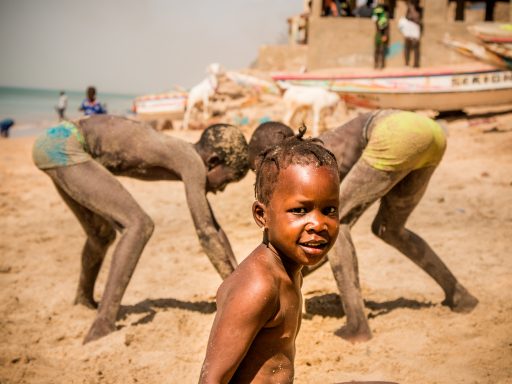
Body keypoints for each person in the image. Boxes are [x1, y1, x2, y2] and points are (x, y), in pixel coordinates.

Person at [248, 112, 479, 343]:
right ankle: (458, 294)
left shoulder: (305, 163)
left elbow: (321, 235)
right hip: (430, 133)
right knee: (389, 229)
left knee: (337, 223)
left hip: (393, 134)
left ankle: (357, 324)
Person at [32, 115, 249, 343]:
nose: (221, 189)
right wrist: (238, 291)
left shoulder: (184, 155)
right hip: (67, 145)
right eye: (226, 181)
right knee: (139, 225)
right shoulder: (192, 162)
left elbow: (213, 226)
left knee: (101, 235)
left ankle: (83, 299)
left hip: (56, 141)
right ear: (213, 161)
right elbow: (206, 232)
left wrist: (237, 276)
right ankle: (103, 322)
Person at [199, 127, 340, 383]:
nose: (318, 224)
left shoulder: (287, 268)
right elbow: (211, 379)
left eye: (329, 209)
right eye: (300, 210)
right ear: (262, 216)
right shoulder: (258, 286)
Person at [400, 0, 423, 68]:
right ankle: (406, 63)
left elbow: (419, 20)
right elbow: (407, 18)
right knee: (407, 49)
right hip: (409, 33)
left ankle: (416, 64)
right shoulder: (409, 9)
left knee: (416, 49)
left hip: (415, 33)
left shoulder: (419, 10)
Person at [372, 0, 390, 69]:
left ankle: (381, 65)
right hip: (378, 34)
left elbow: (385, 28)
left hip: (382, 34)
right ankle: (376, 64)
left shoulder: (384, 17)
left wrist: (385, 35)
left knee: (382, 50)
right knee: (377, 50)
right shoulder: (377, 16)